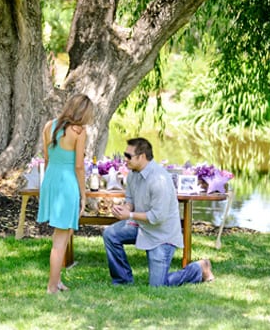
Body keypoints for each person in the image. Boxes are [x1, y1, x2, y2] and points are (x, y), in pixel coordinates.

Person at [105, 138, 215, 286]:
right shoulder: (132, 174)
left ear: (142, 156)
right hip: (142, 227)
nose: (125, 159)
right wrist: (125, 208)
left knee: (158, 286)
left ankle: (198, 269)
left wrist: (129, 215)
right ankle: (122, 280)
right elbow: (130, 199)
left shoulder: (159, 179)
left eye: (128, 156)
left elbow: (157, 217)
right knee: (110, 234)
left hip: (162, 236)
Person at [36, 93, 94, 294]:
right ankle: (52, 287)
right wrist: (83, 194)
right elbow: (79, 166)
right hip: (67, 183)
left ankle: (57, 280)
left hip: (51, 180)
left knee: (66, 232)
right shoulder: (79, 132)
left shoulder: (48, 126)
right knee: (60, 239)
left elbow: (47, 158)